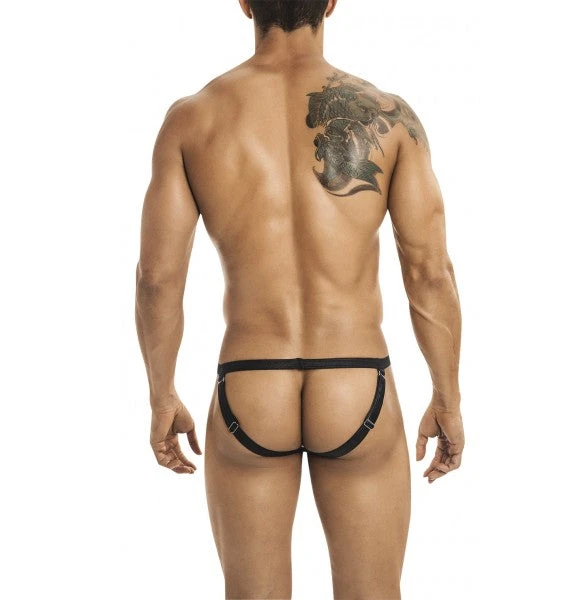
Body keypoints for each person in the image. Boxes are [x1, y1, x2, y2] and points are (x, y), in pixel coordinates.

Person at [134, 0, 465, 597]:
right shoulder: (388, 116)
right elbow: (429, 271)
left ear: (245, 3)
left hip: (250, 385)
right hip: (356, 382)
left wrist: (161, 394)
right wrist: (448, 396)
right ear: (331, 3)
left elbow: (157, 277)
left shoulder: (192, 119)